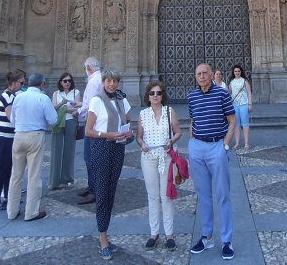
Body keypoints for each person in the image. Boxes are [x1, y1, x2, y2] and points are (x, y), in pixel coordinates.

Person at [188, 63, 236, 260]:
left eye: (205, 73)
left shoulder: (222, 94)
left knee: (222, 194)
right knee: (203, 195)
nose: (202, 76)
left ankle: (226, 240)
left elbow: (232, 120)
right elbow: (193, 121)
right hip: (197, 147)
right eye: (199, 74)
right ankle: (207, 236)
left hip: (217, 146)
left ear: (211, 74)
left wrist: (225, 145)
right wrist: (191, 143)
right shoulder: (192, 96)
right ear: (196, 76)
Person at [84, 69, 133, 260]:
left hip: (118, 148)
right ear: (103, 82)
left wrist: (128, 132)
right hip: (101, 148)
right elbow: (88, 130)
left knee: (111, 191)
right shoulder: (96, 100)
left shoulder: (122, 100)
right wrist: (107, 135)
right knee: (102, 191)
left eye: (115, 81)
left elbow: (128, 121)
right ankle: (102, 237)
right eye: (109, 81)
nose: (112, 84)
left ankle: (105, 231)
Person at [136, 81, 182, 252]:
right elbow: (139, 136)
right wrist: (142, 144)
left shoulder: (170, 112)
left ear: (163, 95)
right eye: (152, 93)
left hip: (166, 158)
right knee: (153, 196)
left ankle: (169, 234)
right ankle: (154, 233)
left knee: (167, 195)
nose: (155, 96)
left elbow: (178, 132)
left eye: (158, 93)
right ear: (148, 96)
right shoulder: (143, 114)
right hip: (148, 158)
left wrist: (171, 141)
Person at [6, 73, 57, 221]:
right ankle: (31, 212)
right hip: (35, 135)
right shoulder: (43, 98)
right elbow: (52, 120)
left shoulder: (18, 97)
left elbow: (13, 119)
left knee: (15, 175)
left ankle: (12, 211)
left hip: (19, 135)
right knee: (34, 175)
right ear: (41, 84)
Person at [0, 70, 25, 210]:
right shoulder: (8, 97)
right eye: (21, 83)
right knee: (3, 168)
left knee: (8, 167)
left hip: (6, 136)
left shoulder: (10, 95)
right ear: (14, 83)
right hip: (4, 137)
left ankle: (9, 197)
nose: (22, 85)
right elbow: (12, 118)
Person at [48, 72, 81, 190]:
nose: (67, 83)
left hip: (71, 122)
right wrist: (63, 104)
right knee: (55, 151)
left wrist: (61, 108)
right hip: (58, 122)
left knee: (69, 151)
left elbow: (77, 108)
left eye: (69, 80)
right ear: (61, 82)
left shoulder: (76, 92)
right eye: (65, 80)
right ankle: (53, 181)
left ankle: (68, 180)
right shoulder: (56, 93)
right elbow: (53, 108)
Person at [76, 57, 102, 204]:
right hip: (99, 123)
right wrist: (81, 105)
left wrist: (78, 111)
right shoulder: (101, 77)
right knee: (93, 157)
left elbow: (91, 105)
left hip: (92, 124)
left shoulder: (92, 82)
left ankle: (93, 190)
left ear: (88, 68)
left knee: (89, 157)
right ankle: (92, 186)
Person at [228, 64, 253, 150]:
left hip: (244, 104)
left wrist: (250, 104)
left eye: (238, 71)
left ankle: (246, 143)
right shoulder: (232, 82)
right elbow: (230, 94)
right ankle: (237, 143)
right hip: (235, 105)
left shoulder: (244, 81)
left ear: (241, 72)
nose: (237, 72)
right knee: (237, 125)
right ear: (233, 72)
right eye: (235, 71)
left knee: (245, 124)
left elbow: (249, 92)